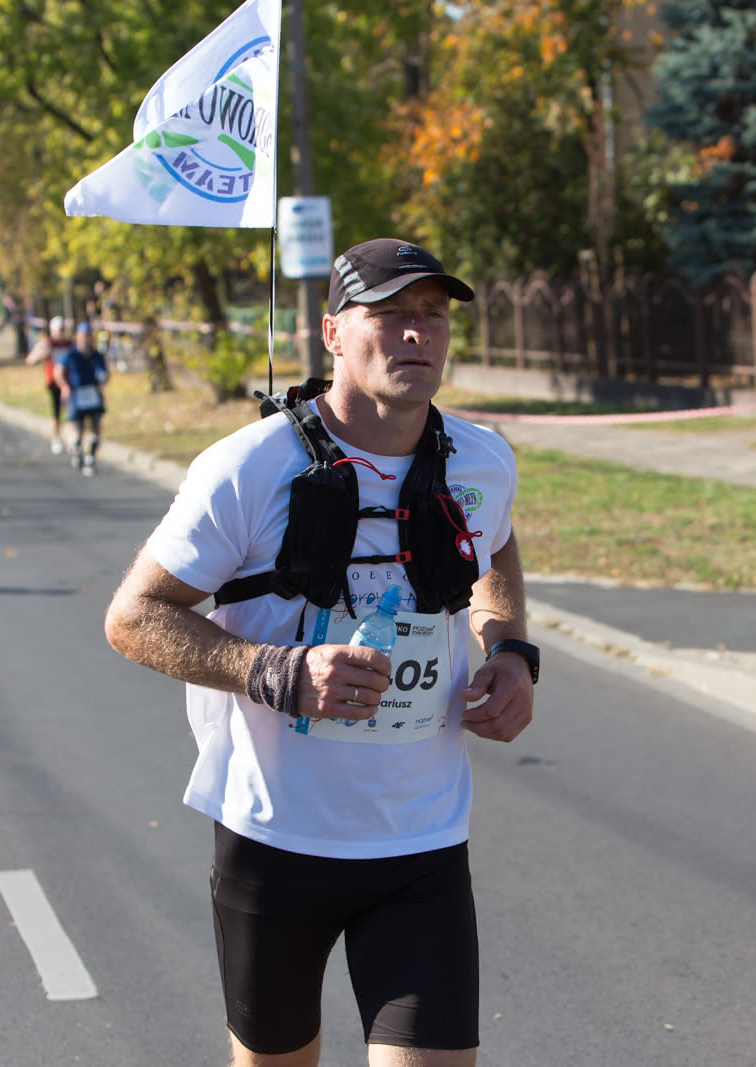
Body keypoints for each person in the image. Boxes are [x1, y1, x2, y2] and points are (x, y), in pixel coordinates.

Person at [104, 238, 538, 1067]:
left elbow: (499, 547)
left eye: (433, 316)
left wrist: (511, 649)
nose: (417, 334)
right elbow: (132, 617)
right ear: (333, 332)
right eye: (391, 315)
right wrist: (273, 673)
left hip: (422, 841)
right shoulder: (245, 468)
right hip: (277, 842)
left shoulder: (482, 459)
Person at [54, 321, 107, 474]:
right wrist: (64, 386)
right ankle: (77, 450)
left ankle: (90, 457)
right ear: (78, 336)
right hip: (76, 395)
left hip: (93, 395)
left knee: (96, 426)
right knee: (79, 428)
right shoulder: (71, 354)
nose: (87, 339)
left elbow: (106, 374)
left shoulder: (97, 355)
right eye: (84, 336)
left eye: (89, 336)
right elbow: (58, 372)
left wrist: (103, 381)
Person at [26, 316, 75, 453]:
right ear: (53, 330)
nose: (61, 332)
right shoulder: (47, 343)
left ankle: (72, 438)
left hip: (69, 383)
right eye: (59, 330)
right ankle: (56, 439)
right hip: (54, 383)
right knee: (56, 413)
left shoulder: (69, 344)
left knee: (71, 411)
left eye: (63, 329)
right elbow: (30, 360)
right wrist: (42, 355)